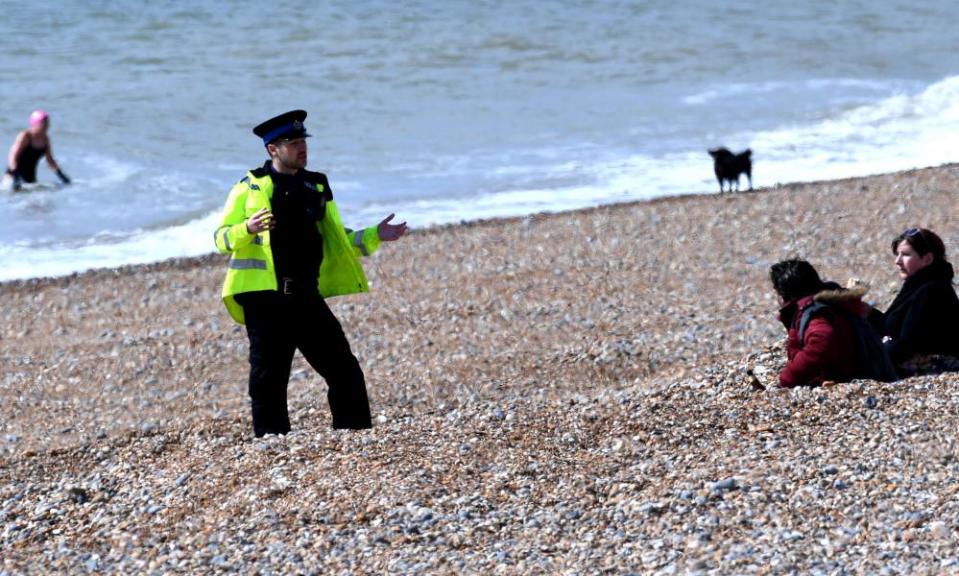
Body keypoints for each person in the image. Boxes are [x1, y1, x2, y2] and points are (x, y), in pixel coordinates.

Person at [214, 110, 408, 437]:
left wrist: (375, 234)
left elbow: (337, 237)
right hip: (264, 300)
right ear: (272, 149)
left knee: (345, 371)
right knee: (268, 382)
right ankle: (271, 444)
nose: (301, 147)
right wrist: (246, 228)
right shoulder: (248, 188)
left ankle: (355, 437)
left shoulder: (316, 184)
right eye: (292, 142)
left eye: (303, 140)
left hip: (306, 296)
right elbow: (220, 239)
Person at [769, 258, 894, 387]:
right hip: (869, 374)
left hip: (851, 381)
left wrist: (788, 378)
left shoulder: (815, 312)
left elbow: (823, 340)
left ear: (784, 294)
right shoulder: (835, 302)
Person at [866, 227, 959, 376]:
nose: (897, 261)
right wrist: (867, 312)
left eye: (906, 255)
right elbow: (892, 326)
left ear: (927, 259)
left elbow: (908, 343)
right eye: (897, 254)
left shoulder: (932, 290)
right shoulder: (917, 285)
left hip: (934, 368)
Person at [3, 109, 70, 191]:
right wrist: (15, 175)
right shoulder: (25, 136)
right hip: (12, 177)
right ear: (35, 124)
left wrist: (61, 175)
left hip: (30, 179)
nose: (47, 126)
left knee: (38, 201)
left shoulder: (45, 139)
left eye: (47, 123)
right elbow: (12, 156)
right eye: (44, 124)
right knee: (16, 201)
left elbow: (50, 160)